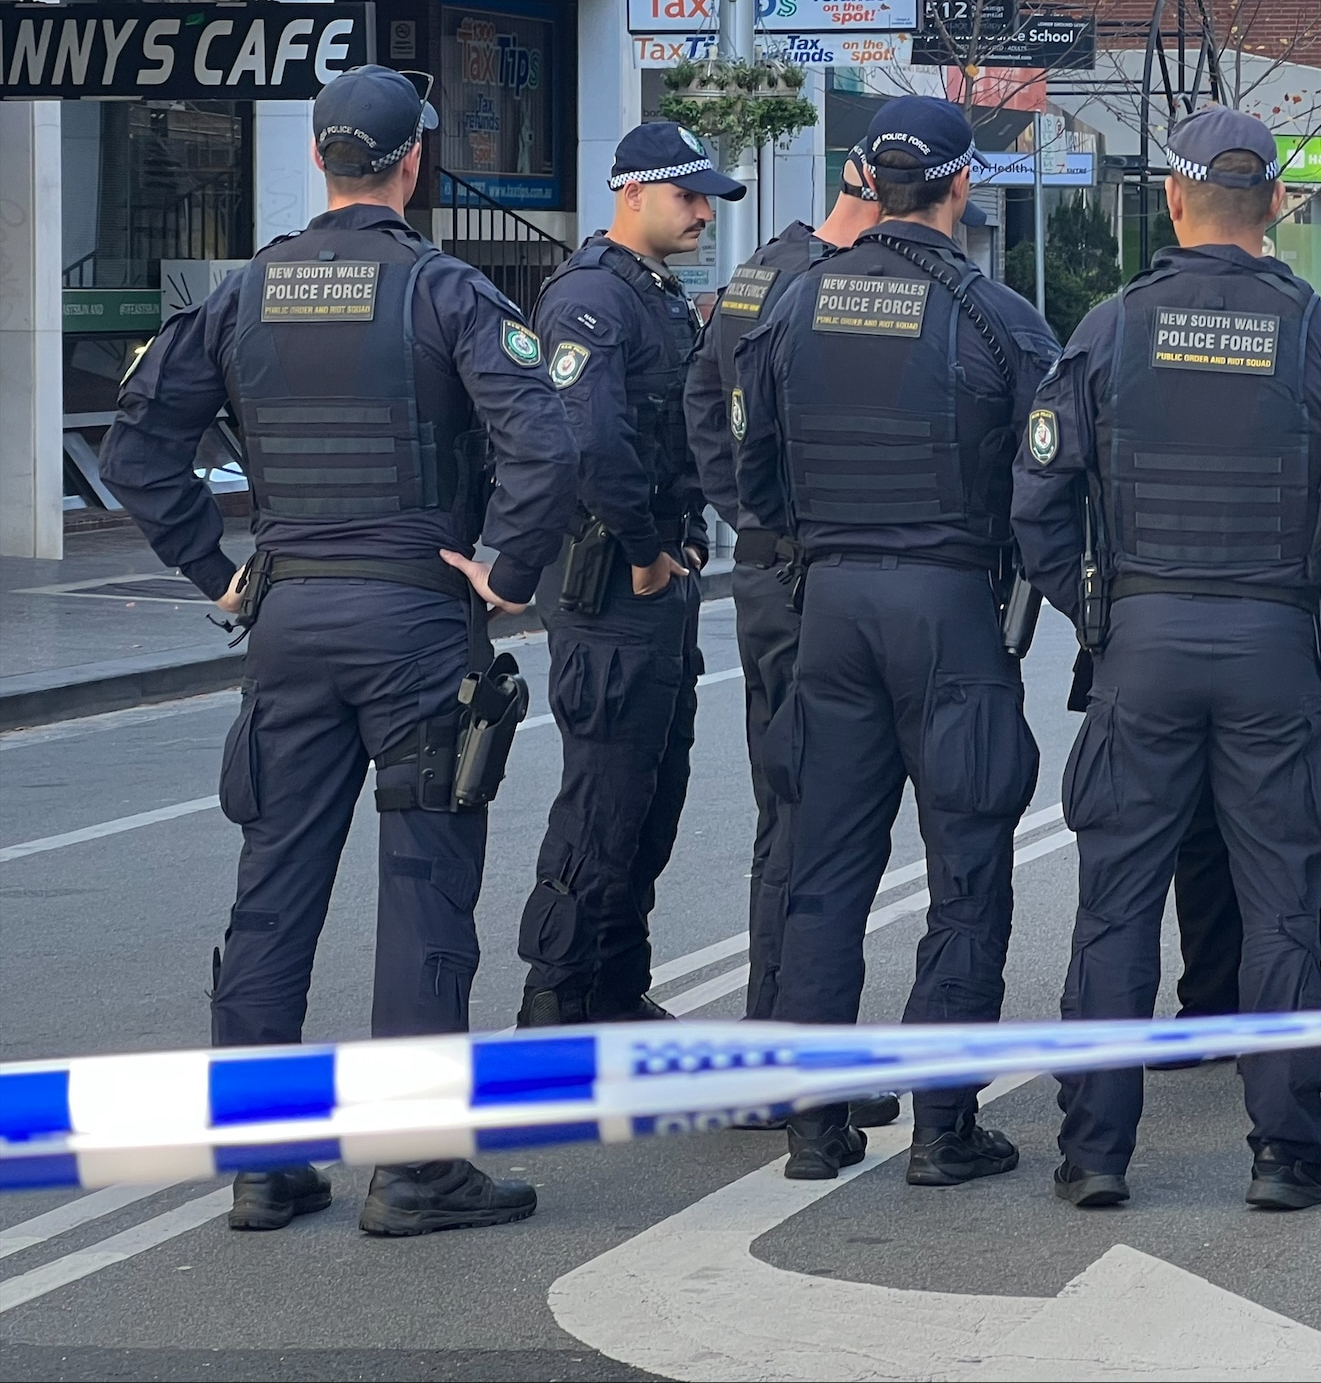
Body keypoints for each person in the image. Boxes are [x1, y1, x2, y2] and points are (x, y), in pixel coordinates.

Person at [100, 65, 576, 1236]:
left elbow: (137, 447)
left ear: (321, 158)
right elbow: (544, 442)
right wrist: (506, 569)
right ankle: (413, 1166)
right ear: (413, 160)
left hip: (292, 620)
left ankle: (265, 1162)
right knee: (423, 889)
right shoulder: (444, 289)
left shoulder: (244, 293)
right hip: (414, 617)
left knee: (273, 883)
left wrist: (216, 570)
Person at [1013, 104, 1321, 1211]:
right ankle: (1288, 1153)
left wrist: (1099, 618)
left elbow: (1037, 505)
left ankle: (1094, 1153)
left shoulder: (1110, 327)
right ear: (1278, 203)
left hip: (1142, 644)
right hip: (1276, 648)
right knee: (1279, 904)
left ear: (1174, 200)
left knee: (1114, 905)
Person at [734, 95, 1059, 1189]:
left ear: (867, 182)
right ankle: (942, 1126)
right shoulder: (997, 319)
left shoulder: (788, 306)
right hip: (950, 610)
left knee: (823, 870)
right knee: (966, 866)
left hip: (828, 607)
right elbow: (1048, 485)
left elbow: (753, 483)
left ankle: (814, 1125)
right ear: (962, 187)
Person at [515, 122, 737, 1028]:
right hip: (610, 583)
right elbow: (590, 441)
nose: (701, 214)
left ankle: (613, 986)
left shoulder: (655, 294)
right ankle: (557, 1002)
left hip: (652, 584)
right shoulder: (591, 301)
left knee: (650, 801)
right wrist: (647, 552)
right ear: (632, 193)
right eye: (687, 196)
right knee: (602, 804)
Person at [685, 152, 880, 1024]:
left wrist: (747, 517)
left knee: (790, 808)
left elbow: (700, 403)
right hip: (815, 575)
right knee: (815, 813)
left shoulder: (759, 269)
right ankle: (784, 1042)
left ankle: (779, 1024)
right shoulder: (831, 287)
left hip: (771, 569)